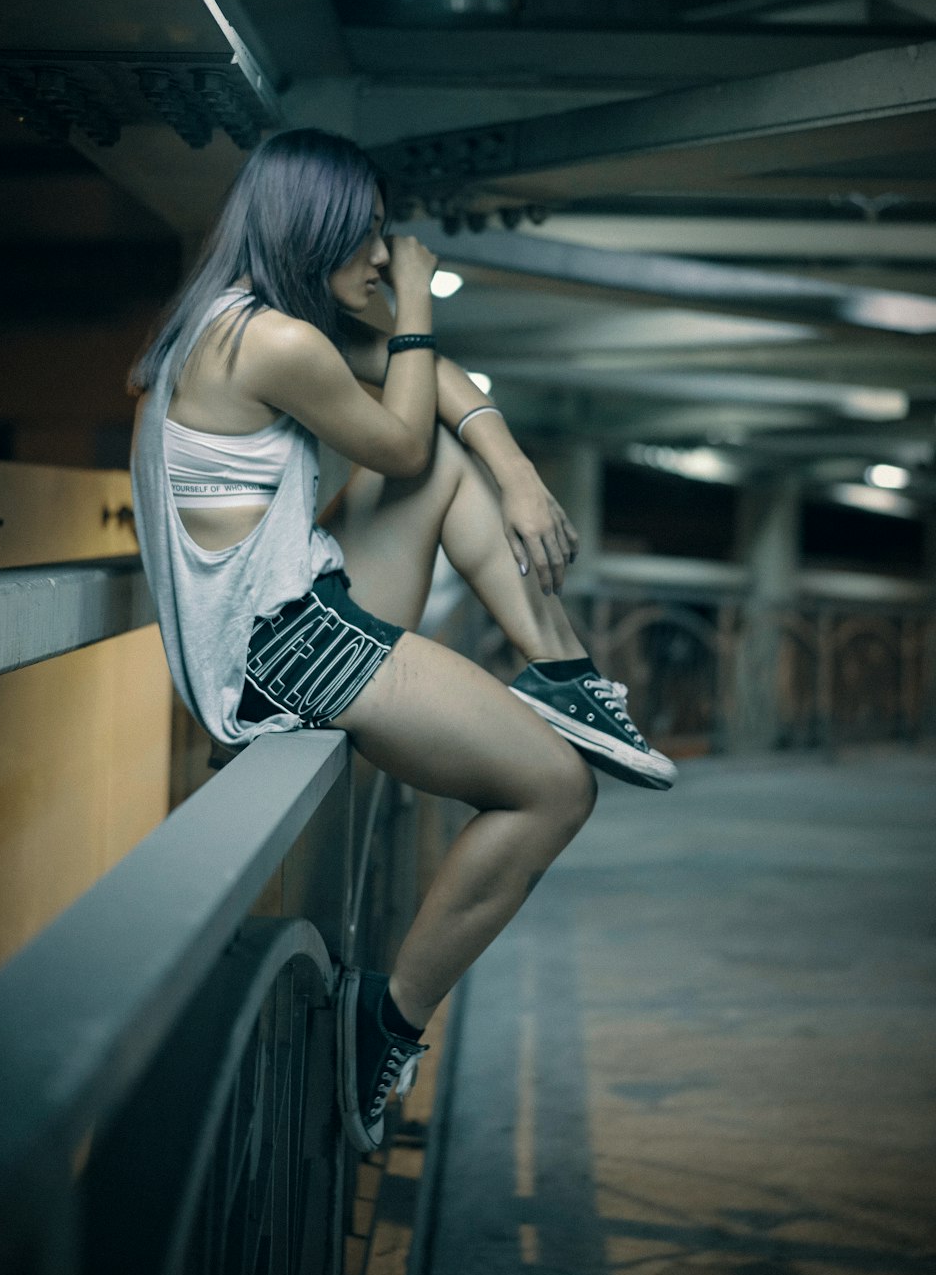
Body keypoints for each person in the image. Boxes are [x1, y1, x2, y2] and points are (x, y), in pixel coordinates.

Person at [129, 128, 676, 1154]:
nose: (385, 257)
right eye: (372, 237)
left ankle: (561, 674)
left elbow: (440, 401)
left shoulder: (255, 323)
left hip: (299, 608)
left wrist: (511, 468)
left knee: (455, 462)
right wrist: (416, 308)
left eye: (387, 243)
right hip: (281, 649)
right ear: (319, 226)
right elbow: (402, 435)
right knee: (556, 790)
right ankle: (385, 1024)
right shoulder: (272, 344)